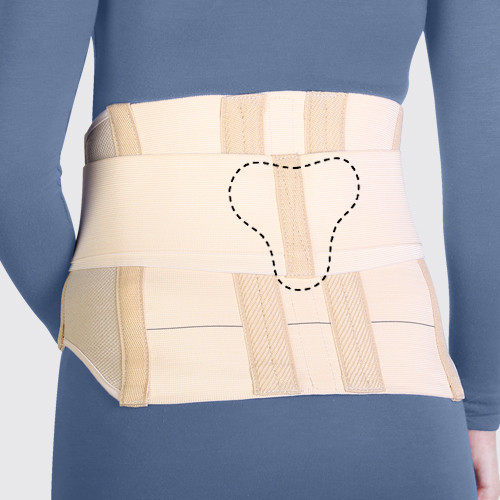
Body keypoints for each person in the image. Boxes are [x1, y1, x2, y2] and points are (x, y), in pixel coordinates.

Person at [1, 1, 499, 499]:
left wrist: (99, 329)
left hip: (144, 405)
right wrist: (480, 407)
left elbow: (11, 177)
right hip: (402, 408)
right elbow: (487, 182)